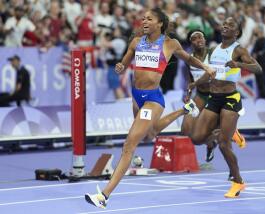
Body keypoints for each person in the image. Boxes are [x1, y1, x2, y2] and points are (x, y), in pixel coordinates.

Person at [84, 8, 215, 209]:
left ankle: (104, 196)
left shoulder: (170, 44)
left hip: (153, 100)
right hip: (136, 97)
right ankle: (184, 110)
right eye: (143, 18)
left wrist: (205, 67)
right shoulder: (137, 41)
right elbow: (125, 60)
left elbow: (188, 59)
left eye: (149, 19)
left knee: (129, 144)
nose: (144, 21)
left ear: (160, 23)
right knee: (150, 134)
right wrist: (120, 66)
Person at [188, 17, 262, 198]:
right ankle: (230, 132)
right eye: (224, 24)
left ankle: (238, 182)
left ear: (236, 32)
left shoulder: (238, 50)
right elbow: (211, 73)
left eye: (230, 25)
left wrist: (239, 64)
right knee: (196, 137)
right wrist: (195, 83)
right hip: (214, 98)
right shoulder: (213, 50)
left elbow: (258, 68)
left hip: (230, 99)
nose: (225, 26)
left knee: (223, 144)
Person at [182, 29, 246, 164]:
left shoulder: (213, 54)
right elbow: (190, 79)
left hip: (215, 95)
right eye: (195, 38)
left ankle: (231, 166)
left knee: (222, 134)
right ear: (191, 42)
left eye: (201, 37)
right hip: (200, 96)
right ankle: (210, 143)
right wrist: (188, 94)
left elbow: (219, 72)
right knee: (186, 130)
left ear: (205, 40)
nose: (199, 40)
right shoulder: (189, 59)